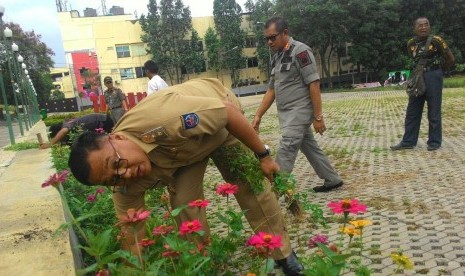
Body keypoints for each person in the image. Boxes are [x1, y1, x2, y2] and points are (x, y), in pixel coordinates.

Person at [68, 78, 304, 275]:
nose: (125, 174)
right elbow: (132, 237)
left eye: (117, 163)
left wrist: (263, 156)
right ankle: (200, 263)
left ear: (117, 138)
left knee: (248, 185)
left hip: (221, 123)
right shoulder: (123, 185)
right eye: (113, 179)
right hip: (183, 150)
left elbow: (227, 114)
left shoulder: (162, 119)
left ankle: (282, 253)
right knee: (184, 204)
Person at [252, 17, 343, 193]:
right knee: (308, 145)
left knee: (287, 145)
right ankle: (332, 179)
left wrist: (318, 117)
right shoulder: (277, 56)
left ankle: (276, 189)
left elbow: (314, 84)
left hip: (299, 111)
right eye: (267, 38)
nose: (269, 42)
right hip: (286, 113)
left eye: (273, 37)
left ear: (285, 33)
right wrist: (258, 115)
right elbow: (271, 90)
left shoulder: (300, 51)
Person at [391, 17, 454, 151]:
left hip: (433, 76)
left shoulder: (437, 41)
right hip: (417, 76)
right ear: (414, 28)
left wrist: (439, 71)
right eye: (420, 25)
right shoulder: (411, 43)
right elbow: (414, 59)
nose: (424, 27)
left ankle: (434, 142)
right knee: (412, 110)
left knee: (434, 110)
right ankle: (408, 141)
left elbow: (450, 58)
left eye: (426, 25)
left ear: (429, 27)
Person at [39, 113, 114, 149]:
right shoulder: (68, 123)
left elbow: (63, 131)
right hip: (103, 121)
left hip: (104, 121)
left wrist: (50, 144)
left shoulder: (66, 125)